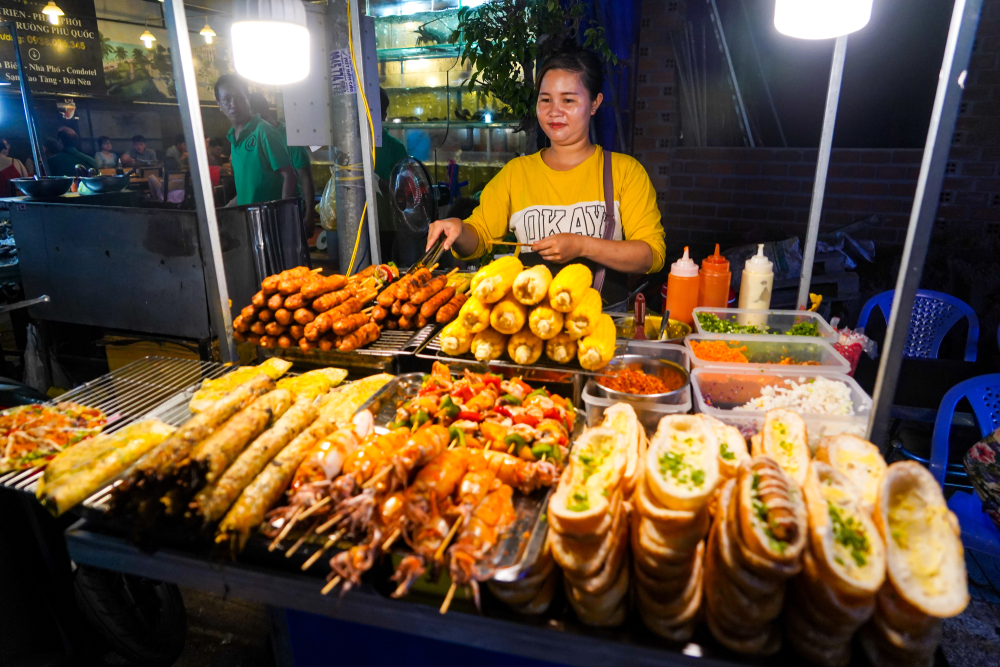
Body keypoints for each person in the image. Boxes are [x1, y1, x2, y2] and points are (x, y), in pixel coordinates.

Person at [425, 46, 665, 307]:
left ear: (595, 103)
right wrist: (459, 230)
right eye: (545, 99)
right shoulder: (517, 173)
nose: (554, 111)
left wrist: (582, 246)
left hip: (603, 320)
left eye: (568, 100)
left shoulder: (624, 171)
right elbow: (480, 237)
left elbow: (650, 255)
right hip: (530, 322)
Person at [214, 74, 296, 206]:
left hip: (269, 220)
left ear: (248, 99)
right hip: (249, 221)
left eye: (239, 97)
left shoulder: (264, 131)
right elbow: (247, 192)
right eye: (227, 99)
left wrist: (284, 214)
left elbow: (289, 176)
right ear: (219, 105)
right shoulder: (233, 138)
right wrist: (225, 210)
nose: (233, 104)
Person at [247, 92, 316, 236]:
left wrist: (309, 214)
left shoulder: (290, 137)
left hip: (290, 211)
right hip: (262, 212)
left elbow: (305, 178)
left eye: (253, 117)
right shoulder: (252, 138)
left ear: (265, 113)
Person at [374, 87, 414, 265]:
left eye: (377, 111)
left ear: (383, 115)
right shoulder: (352, 147)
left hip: (386, 226)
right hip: (357, 226)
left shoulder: (395, 148)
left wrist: (376, 181)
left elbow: (404, 193)